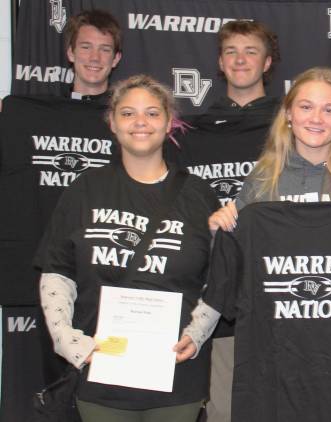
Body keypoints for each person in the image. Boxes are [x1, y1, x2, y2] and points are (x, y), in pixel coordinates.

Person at [36, 75, 220, 421]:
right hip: (101, 369)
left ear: (169, 123)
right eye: (128, 113)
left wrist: (198, 333)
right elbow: (57, 272)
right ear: (112, 122)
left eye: (152, 113)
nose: (140, 122)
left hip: (176, 373)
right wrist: (68, 340)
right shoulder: (84, 191)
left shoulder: (199, 195)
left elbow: (218, 279)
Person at [0, 10, 123, 421]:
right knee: (56, 382)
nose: (94, 57)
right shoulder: (27, 113)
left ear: (116, 59)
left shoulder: (129, 122)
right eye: (85, 46)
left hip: (107, 271)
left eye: (105, 49)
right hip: (50, 272)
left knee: (110, 381)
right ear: (69, 52)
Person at [165, 20, 281, 422]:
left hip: (277, 285)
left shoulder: (295, 127)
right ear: (219, 61)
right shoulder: (189, 132)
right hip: (212, 293)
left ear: (268, 62)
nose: (240, 59)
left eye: (251, 51)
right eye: (231, 51)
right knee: (224, 408)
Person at [208, 66, 331, 231]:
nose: (316, 119)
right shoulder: (262, 179)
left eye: (329, 110)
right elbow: (236, 257)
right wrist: (219, 231)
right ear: (289, 114)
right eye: (306, 107)